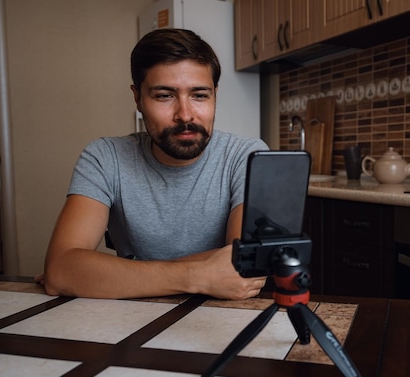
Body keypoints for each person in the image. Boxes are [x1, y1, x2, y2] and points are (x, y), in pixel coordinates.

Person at [37, 29, 269, 300]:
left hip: (220, 321)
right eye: (164, 96)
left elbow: (242, 265)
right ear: (138, 98)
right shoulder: (104, 157)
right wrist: (199, 275)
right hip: (129, 323)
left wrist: (109, 273)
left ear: (215, 95)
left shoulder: (248, 156)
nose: (185, 114)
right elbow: (62, 271)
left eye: (199, 95)